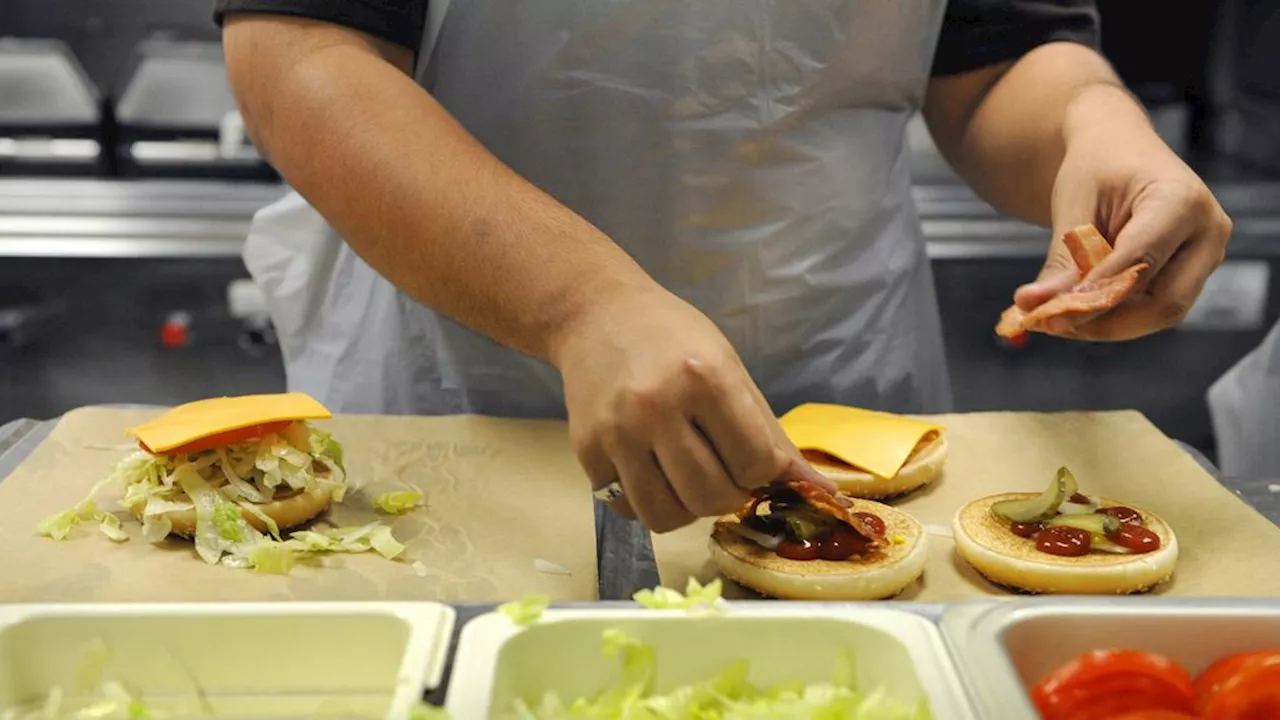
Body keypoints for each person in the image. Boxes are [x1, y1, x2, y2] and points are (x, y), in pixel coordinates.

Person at [215, 0, 1233, 534]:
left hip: (839, 387)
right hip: (465, 382)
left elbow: (993, 57)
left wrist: (1091, 124)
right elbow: (302, 53)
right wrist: (580, 305)